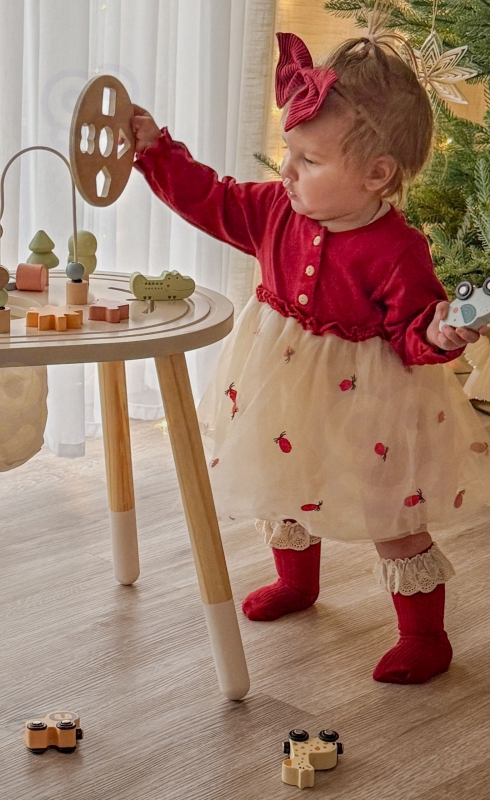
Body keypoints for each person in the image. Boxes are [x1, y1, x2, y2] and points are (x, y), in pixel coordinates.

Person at [130, 32, 490, 684]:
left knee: (393, 516)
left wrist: (442, 334)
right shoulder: (275, 208)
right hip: (281, 385)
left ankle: (425, 635)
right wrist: (157, 149)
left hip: (372, 407)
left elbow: (414, 330)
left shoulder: (397, 249)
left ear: (377, 175)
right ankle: (297, 582)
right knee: (283, 480)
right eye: (288, 153)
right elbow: (210, 197)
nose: (287, 171)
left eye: (308, 160)